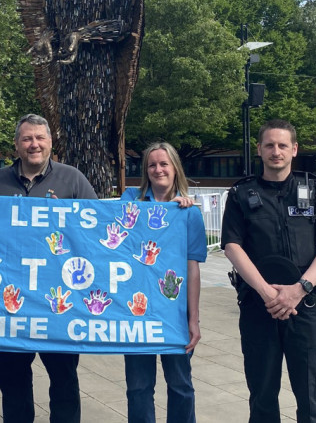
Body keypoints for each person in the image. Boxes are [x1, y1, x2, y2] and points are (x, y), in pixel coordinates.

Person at [221, 119, 316, 423]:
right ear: (259, 149)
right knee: (262, 398)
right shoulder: (240, 195)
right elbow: (232, 247)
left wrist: (298, 290)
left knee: (314, 400)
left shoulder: (315, 191)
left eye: (283, 145)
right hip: (259, 308)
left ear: (294, 149)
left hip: (308, 307)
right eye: (270, 145)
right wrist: (268, 293)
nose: (276, 151)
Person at [0, 114, 96, 423]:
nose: (34, 144)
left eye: (40, 138)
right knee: (12, 379)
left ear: (50, 143)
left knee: (64, 380)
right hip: (11, 301)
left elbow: (96, 233)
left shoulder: (73, 179)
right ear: (16, 145)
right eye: (27, 139)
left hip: (58, 302)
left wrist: (67, 220)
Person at [29, 0, 134, 197]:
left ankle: (97, 201)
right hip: (66, 74)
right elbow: (53, 26)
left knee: (93, 139)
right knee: (69, 140)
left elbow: (122, 24)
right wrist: (45, 40)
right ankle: (70, 199)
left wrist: (82, 35)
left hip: (98, 71)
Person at [120, 143, 206, 423]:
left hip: (174, 312)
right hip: (136, 309)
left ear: (175, 168)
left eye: (164, 164)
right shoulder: (130, 199)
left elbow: (192, 269)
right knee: (138, 387)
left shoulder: (188, 212)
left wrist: (194, 318)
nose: (158, 169)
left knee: (181, 384)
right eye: (152, 165)